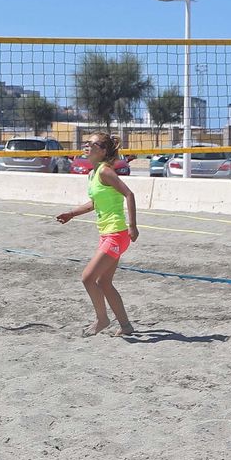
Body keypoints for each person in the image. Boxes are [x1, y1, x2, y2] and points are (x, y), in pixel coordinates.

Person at [56, 132, 139, 337]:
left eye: (91, 144)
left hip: (117, 234)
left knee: (87, 278)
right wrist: (71, 214)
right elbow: (95, 203)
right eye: (86, 143)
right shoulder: (93, 174)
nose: (86, 146)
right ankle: (126, 326)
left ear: (102, 151)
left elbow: (129, 194)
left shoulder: (105, 172)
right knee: (103, 282)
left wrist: (133, 226)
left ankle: (102, 319)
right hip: (107, 233)